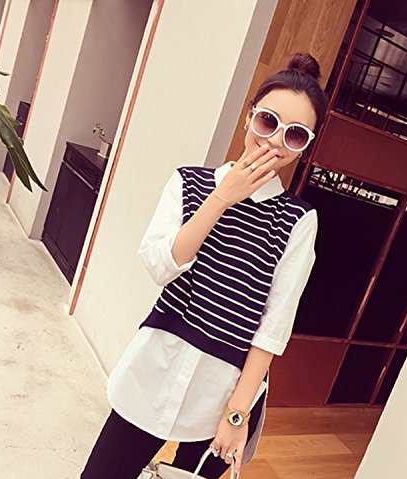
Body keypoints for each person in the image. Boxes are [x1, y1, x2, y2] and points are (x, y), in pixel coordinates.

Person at [80, 52, 328, 479]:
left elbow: (273, 326)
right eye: (267, 121)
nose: (274, 142)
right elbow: (160, 265)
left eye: (294, 135)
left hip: (223, 394)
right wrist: (221, 198)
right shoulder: (189, 182)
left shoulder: (298, 221)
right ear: (249, 117)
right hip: (155, 371)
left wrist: (237, 413)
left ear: (305, 145)